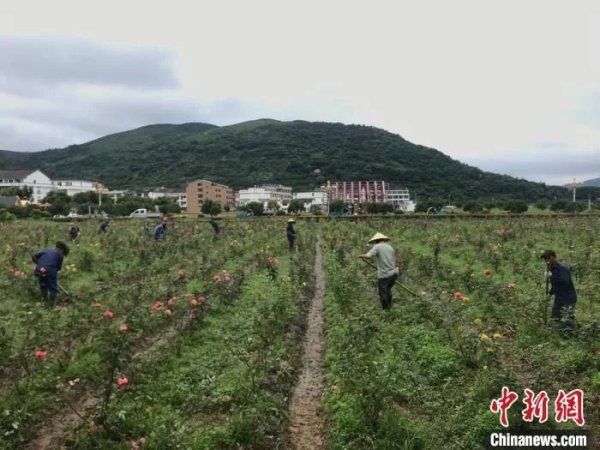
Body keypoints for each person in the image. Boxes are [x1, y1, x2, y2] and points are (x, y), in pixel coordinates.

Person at [360, 233, 399, 310]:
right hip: (394, 273)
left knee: (383, 293)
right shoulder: (390, 247)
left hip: (384, 275)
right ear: (383, 239)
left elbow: (368, 256)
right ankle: (390, 307)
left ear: (376, 241)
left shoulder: (377, 246)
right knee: (388, 290)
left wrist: (361, 255)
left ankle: (386, 311)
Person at [541, 250, 577, 330]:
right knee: (555, 317)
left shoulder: (562, 268)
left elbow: (564, 281)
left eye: (548, 259)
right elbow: (555, 285)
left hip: (569, 298)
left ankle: (573, 334)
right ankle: (557, 333)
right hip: (559, 298)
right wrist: (549, 294)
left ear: (553, 257)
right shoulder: (552, 269)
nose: (546, 261)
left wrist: (551, 276)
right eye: (545, 260)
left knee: (569, 318)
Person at [32, 241, 69, 306]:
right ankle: (51, 305)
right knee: (53, 288)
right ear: (62, 250)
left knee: (43, 285)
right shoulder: (60, 255)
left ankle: (45, 301)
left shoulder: (47, 251)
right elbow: (58, 268)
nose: (63, 254)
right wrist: (52, 278)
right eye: (63, 253)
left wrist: (38, 263)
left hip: (39, 269)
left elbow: (34, 256)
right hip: (49, 270)